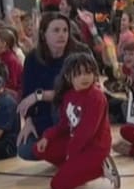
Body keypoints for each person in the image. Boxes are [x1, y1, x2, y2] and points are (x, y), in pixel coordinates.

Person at [32, 54, 120, 189]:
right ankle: (76, 170)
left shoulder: (96, 97)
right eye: (78, 74)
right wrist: (47, 137)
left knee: (57, 185)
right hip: (76, 143)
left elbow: (86, 132)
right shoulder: (69, 95)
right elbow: (64, 125)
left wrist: (70, 154)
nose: (84, 77)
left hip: (94, 148)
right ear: (68, 76)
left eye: (88, 72)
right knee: (39, 148)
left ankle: (100, 168)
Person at [17, 13, 89, 160]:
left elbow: (74, 93)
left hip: (73, 113)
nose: (61, 35)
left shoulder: (79, 53)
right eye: (56, 31)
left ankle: (74, 149)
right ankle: (63, 151)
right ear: (44, 34)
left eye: (65, 30)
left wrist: (40, 95)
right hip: (44, 117)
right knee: (25, 150)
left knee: (59, 105)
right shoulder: (33, 58)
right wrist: (28, 122)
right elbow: (26, 95)